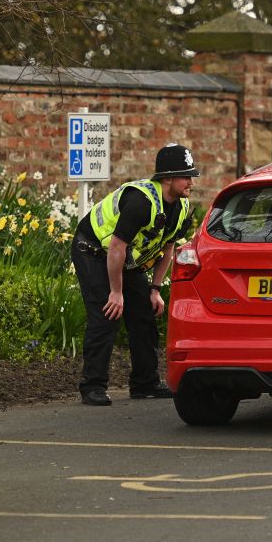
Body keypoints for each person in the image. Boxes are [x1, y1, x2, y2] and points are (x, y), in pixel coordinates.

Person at [71, 143, 198, 406]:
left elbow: (169, 245)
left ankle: (145, 383)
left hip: (123, 259)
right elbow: (116, 247)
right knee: (107, 314)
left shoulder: (181, 206)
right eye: (186, 176)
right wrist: (116, 292)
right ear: (168, 177)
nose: (191, 182)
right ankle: (92, 386)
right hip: (94, 252)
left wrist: (155, 289)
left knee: (143, 313)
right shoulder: (140, 201)